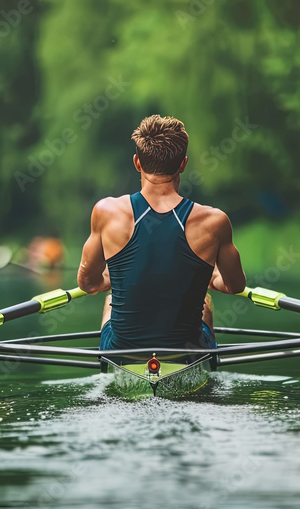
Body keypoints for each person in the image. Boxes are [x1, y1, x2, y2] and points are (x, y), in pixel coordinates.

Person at [77, 115, 246, 351]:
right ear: (183, 164)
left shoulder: (106, 211)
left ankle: (115, 367)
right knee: (204, 305)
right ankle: (205, 362)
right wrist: (207, 278)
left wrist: (111, 280)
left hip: (124, 349)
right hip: (185, 349)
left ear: (137, 163)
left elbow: (87, 283)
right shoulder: (215, 221)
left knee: (111, 301)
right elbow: (235, 285)